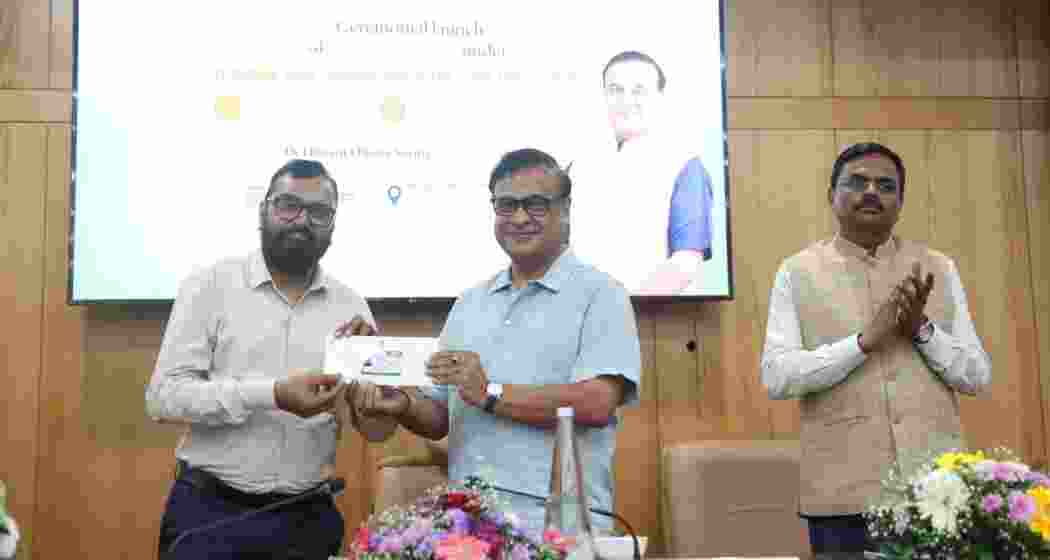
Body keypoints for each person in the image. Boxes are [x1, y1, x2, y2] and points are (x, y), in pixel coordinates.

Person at [344, 148, 642, 534]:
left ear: (565, 209)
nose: (519, 217)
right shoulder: (470, 302)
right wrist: (399, 403)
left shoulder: (602, 295)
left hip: (560, 528)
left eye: (535, 204)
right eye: (506, 205)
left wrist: (490, 392)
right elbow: (439, 417)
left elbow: (597, 402)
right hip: (469, 526)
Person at [146, 159, 391, 559]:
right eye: (288, 205)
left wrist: (377, 395)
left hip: (306, 520)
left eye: (319, 212)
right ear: (264, 210)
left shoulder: (352, 306)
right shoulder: (211, 284)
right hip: (209, 515)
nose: (302, 220)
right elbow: (163, 397)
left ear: (333, 224)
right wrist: (273, 394)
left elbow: (378, 432)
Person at [760, 143, 992, 557]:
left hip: (935, 493)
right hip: (842, 499)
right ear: (832, 195)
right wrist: (863, 343)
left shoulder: (938, 266)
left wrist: (921, 329)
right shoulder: (796, 272)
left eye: (885, 185)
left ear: (899, 203)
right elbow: (778, 376)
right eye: (857, 182)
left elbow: (975, 375)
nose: (871, 192)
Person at [573, 50, 714, 294]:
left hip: (645, 315)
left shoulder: (684, 164)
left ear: (659, 97)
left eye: (638, 90)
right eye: (615, 90)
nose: (626, 100)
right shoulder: (579, 166)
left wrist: (616, 307)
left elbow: (686, 264)